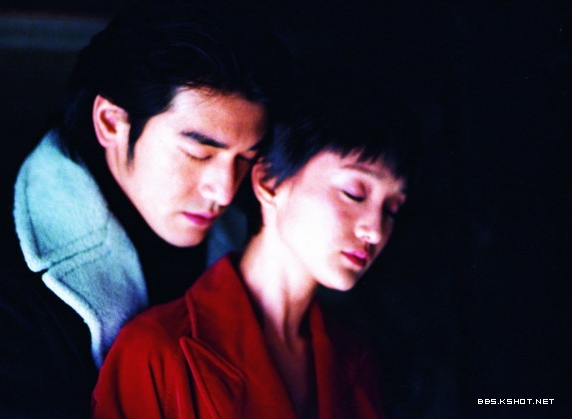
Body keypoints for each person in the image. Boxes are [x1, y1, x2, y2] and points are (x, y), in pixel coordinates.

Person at [0, 0, 289, 416]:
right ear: (111, 122)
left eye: (246, 158)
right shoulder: (1, 275)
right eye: (199, 154)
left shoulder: (255, 228)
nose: (224, 190)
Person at [92, 83, 422, 418]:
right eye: (354, 193)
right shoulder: (157, 351)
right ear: (269, 182)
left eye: (391, 209)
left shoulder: (356, 362)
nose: (375, 229)